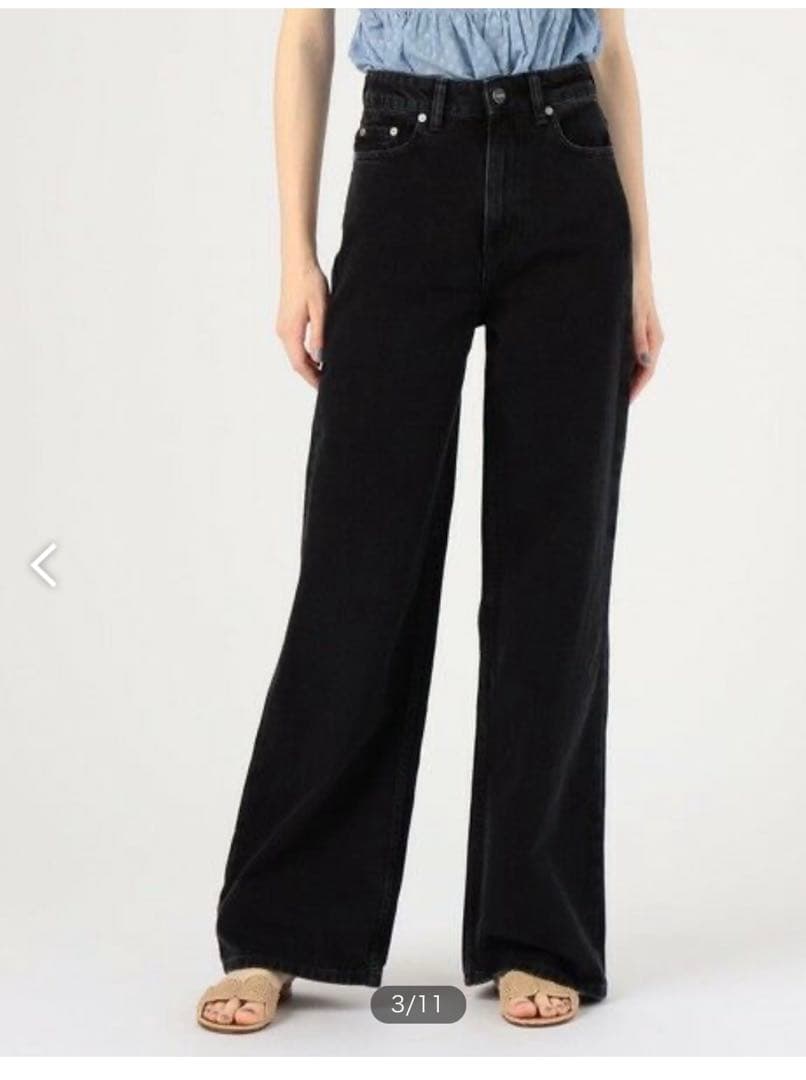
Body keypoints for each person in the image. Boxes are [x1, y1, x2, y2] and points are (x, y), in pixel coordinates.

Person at [197, 7, 663, 1032]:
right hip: (407, 159)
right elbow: (307, 32)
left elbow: (612, 45)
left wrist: (639, 265)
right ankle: (281, 926)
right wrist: (295, 253)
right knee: (356, 568)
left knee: (554, 573)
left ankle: (535, 933)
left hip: (568, 164)